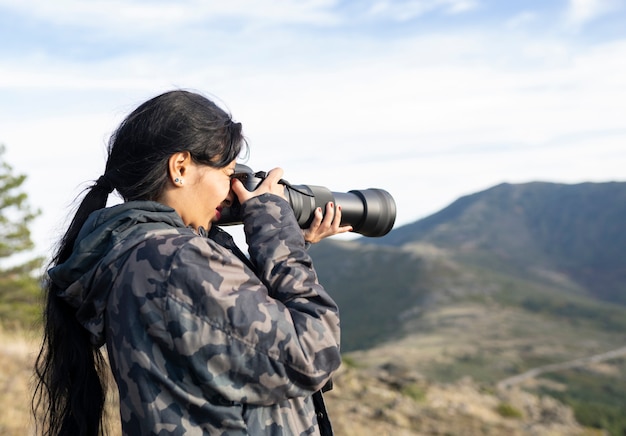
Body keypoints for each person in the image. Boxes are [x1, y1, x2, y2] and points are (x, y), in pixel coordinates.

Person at [32, 90, 352, 435]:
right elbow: (312, 355)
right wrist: (277, 236)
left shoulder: (143, 255)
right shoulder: (174, 260)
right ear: (180, 167)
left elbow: (240, 349)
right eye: (228, 173)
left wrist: (288, 243)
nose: (233, 192)